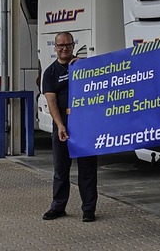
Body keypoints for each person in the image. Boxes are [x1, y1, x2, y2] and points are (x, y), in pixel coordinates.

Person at [41, 31, 98, 222]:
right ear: (55, 48)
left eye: (68, 45)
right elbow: (51, 102)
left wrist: (85, 65)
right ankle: (58, 207)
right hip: (63, 126)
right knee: (61, 170)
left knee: (88, 170)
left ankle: (89, 210)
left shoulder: (83, 67)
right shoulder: (49, 73)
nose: (64, 49)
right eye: (60, 46)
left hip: (85, 127)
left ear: (73, 46)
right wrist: (59, 126)